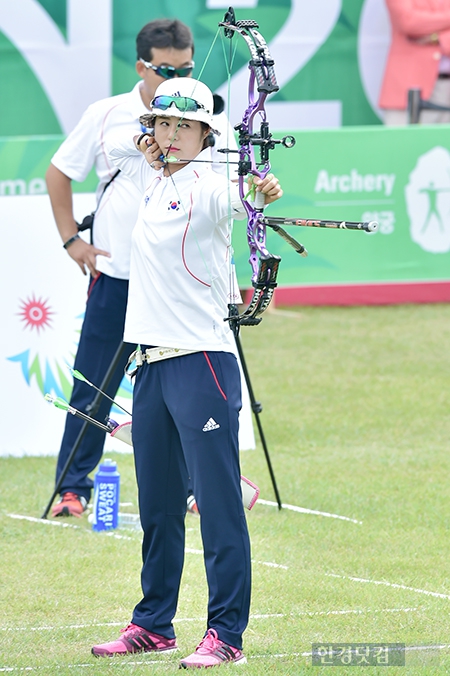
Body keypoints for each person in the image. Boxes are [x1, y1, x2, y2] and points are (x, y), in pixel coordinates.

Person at [90, 77, 282, 668]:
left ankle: (227, 636)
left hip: (202, 362)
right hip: (151, 364)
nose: (170, 136)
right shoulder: (156, 177)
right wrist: (154, 148)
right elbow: (116, 145)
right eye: (162, 125)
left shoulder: (212, 185)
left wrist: (258, 185)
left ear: (207, 133)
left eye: (184, 127)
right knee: (159, 506)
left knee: (219, 506)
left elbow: (249, 191)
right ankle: (154, 623)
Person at [45, 19, 243, 518]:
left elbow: (225, 203)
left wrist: (236, 280)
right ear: (141, 66)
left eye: (184, 68)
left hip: (181, 291)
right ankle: (73, 487)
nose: (174, 75)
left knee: (190, 389)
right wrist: (72, 239)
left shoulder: (202, 118)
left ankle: (202, 486)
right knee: (95, 384)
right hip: (118, 278)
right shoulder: (110, 113)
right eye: (163, 69)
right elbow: (60, 170)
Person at [379, 0, 450, 124]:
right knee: (402, 141)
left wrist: (437, 38)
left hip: (446, 88)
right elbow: (409, 22)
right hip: (408, 84)